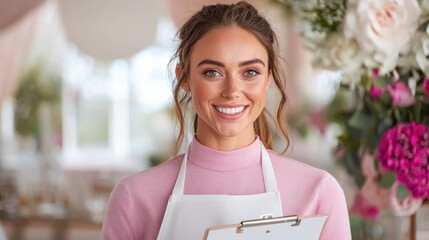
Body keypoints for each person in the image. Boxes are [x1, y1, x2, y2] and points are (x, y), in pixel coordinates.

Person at [101, 1, 351, 240]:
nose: (232, 90)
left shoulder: (318, 192)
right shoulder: (134, 197)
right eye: (213, 72)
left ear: (268, 79)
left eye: (250, 72)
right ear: (184, 78)